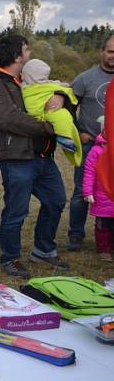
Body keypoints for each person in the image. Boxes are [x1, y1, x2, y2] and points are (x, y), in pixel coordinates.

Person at [0, 35, 67, 279]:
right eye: (26, 49)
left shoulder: (26, 81)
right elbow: (9, 119)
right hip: (17, 159)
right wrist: (48, 126)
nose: (29, 53)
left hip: (43, 157)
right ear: (17, 55)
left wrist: (59, 97)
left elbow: (57, 97)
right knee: (17, 211)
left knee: (56, 201)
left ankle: (43, 249)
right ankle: (10, 257)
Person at [67, 35, 114, 251]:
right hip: (90, 145)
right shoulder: (85, 79)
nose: (113, 56)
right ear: (102, 51)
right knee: (82, 190)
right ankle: (76, 234)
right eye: (110, 51)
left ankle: (108, 237)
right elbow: (67, 107)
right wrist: (79, 132)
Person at [21, 59, 81, 166]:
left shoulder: (47, 86)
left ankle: (66, 138)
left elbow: (67, 92)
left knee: (63, 116)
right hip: (30, 150)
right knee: (62, 117)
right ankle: (66, 138)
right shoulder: (22, 89)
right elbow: (33, 108)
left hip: (46, 151)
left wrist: (62, 96)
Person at [82, 116, 113, 261]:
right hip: (102, 196)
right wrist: (87, 191)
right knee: (103, 225)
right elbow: (89, 172)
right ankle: (104, 249)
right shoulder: (96, 151)